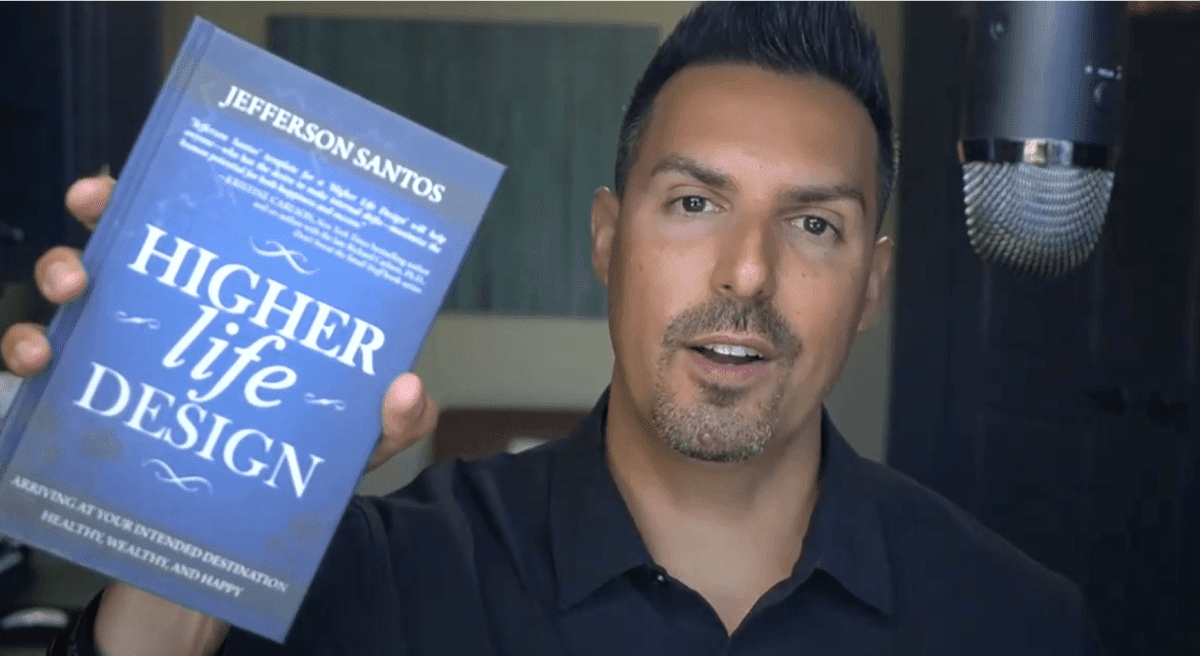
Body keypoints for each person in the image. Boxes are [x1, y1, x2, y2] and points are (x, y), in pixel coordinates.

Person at [0, 2, 1103, 654]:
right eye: (694, 202)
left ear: (870, 285)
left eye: (814, 224)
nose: (748, 271)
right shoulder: (376, 587)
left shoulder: (1019, 623)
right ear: (607, 240)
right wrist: (184, 562)